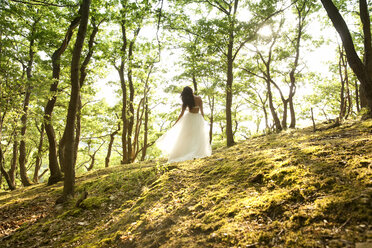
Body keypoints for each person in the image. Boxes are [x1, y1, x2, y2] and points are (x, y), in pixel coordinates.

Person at [156, 86, 212, 163]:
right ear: (192, 91)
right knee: (197, 135)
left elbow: (181, 114)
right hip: (197, 118)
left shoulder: (186, 101)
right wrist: (203, 120)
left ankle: (187, 151)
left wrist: (175, 123)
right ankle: (195, 151)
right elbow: (202, 111)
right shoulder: (199, 99)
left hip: (189, 118)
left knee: (187, 137)